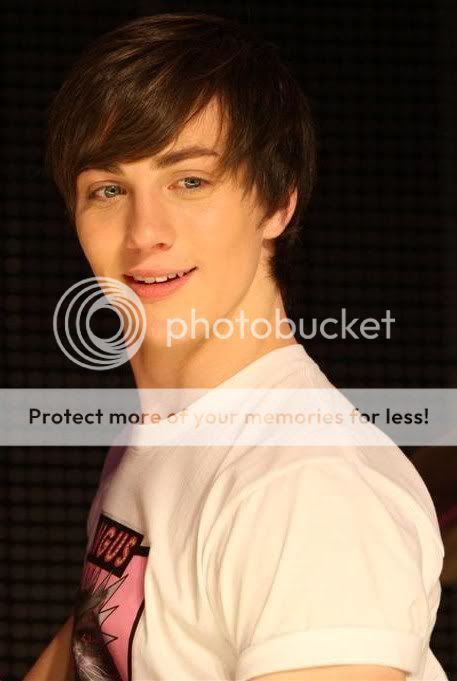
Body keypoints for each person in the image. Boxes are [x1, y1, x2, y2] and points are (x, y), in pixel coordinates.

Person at [25, 12, 448, 681]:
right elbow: (100, 637)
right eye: (108, 189)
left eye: (189, 181)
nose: (145, 231)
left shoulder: (309, 489)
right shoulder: (170, 428)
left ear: (277, 203)